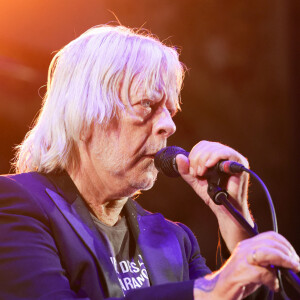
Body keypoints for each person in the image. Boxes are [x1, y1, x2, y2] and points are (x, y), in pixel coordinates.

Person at [0, 25, 298, 300]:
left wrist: (236, 222)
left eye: (170, 110)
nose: (169, 125)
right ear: (85, 113)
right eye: (147, 104)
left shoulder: (175, 239)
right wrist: (206, 290)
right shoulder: (16, 204)